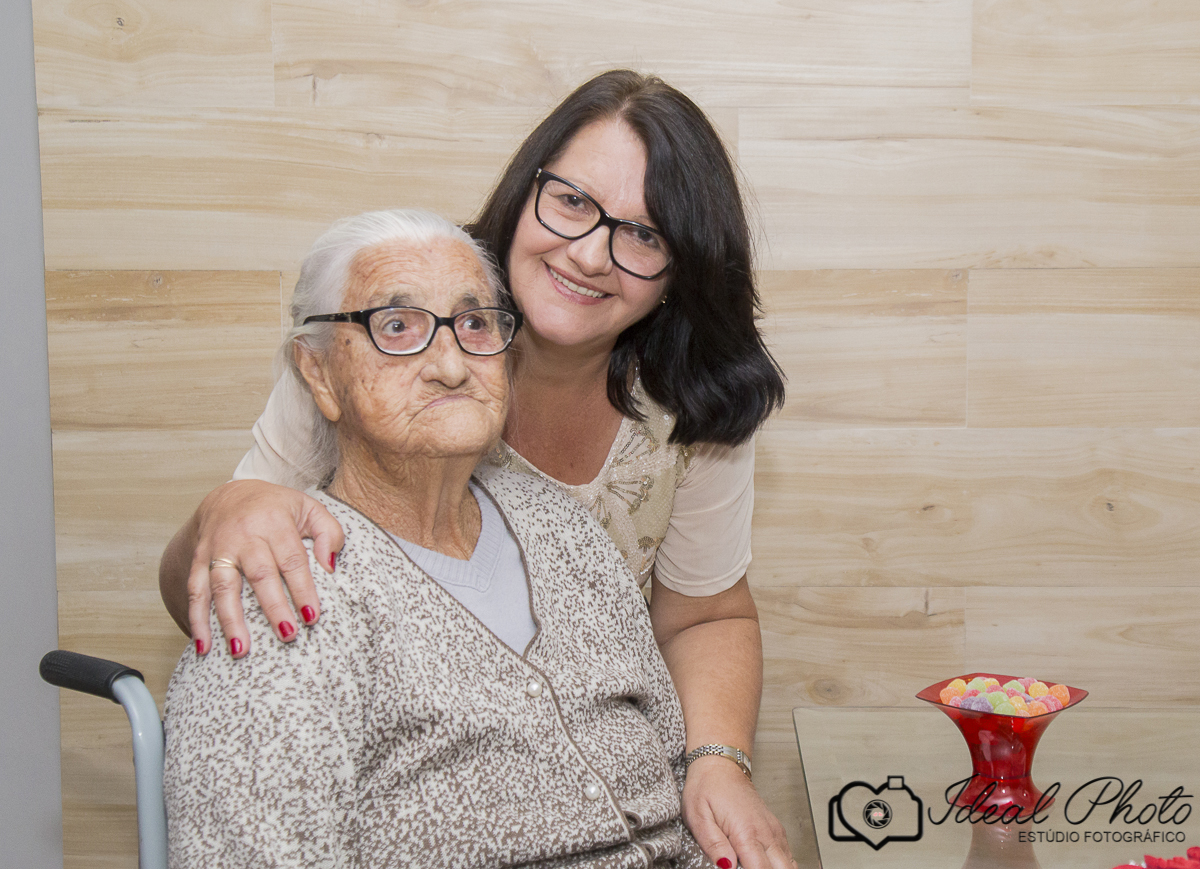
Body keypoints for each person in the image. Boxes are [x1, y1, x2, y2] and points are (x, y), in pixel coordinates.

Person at [159, 70, 792, 868]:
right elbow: (228, 589)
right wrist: (226, 511)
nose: (590, 253)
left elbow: (702, 622)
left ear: (679, 273)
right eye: (572, 201)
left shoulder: (624, 479)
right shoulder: (363, 326)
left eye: (644, 235)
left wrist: (717, 762)